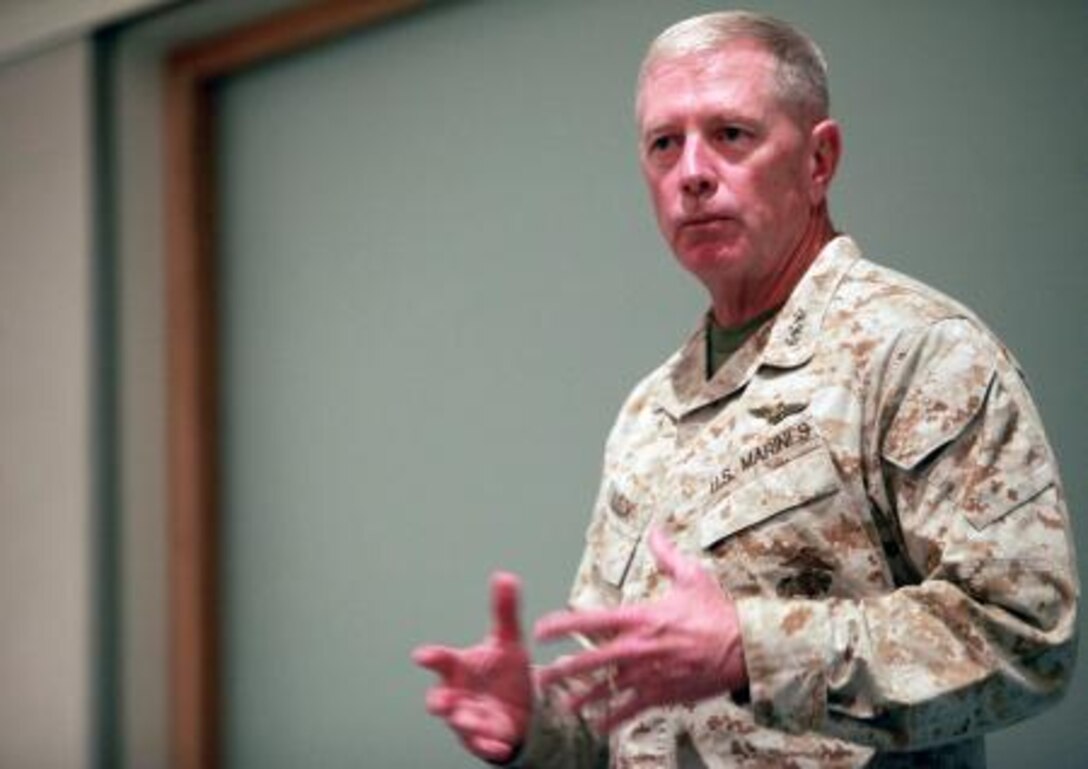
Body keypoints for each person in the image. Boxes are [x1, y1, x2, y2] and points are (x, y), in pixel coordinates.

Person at [413, 10, 1078, 768]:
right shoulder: (649, 414)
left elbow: (1025, 634)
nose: (692, 171)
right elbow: (621, 710)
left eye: (731, 134)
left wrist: (750, 649)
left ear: (818, 160)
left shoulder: (919, 351)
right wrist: (537, 723)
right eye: (665, 143)